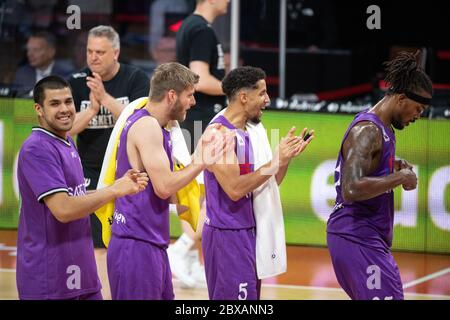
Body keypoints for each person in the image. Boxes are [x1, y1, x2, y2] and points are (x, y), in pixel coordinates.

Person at [106, 62, 234, 300]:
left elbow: (167, 191)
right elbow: (165, 188)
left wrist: (198, 158)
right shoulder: (146, 127)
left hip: (150, 243)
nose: (193, 102)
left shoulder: (160, 128)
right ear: (171, 95)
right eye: (189, 95)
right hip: (135, 245)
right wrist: (201, 162)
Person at [15, 75, 149, 300]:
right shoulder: (36, 148)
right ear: (39, 109)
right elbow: (64, 209)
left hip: (80, 268)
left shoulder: (65, 141)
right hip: (49, 276)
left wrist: (116, 187)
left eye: (68, 102)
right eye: (55, 103)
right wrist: (114, 191)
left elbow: (76, 195)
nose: (65, 109)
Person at [326, 51, 433, 300]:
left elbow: (365, 168)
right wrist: (400, 178)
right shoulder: (368, 130)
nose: (418, 116)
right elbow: (351, 189)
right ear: (401, 99)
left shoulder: (383, 129)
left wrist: (389, 165)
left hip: (365, 239)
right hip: (356, 237)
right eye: (418, 109)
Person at [203, 66, 314, 300]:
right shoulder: (219, 133)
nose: (267, 99)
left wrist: (284, 160)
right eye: (262, 93)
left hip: (248, 233)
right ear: (244, 97)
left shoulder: (250, 131)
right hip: (227, 236)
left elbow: (269, 185)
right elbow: (234, 189)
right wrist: (274, 162)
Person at [68, 25, 150, 250]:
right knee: (95, 241)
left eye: (100, 52)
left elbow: (140, 121)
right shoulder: (75, 82)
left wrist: (104, 98)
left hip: (125, 169)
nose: (93, 58)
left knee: (124, 238)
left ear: (115, 53)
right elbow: (68, 129)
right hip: (89, 169)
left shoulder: (135, 78)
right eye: (89, 51)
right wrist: (91, 111)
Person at [172, 0, 229, 289]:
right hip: (201, 118)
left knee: (194, 191)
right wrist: (236, 88)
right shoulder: (201, 30)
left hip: (193, 118)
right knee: (207, 192)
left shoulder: (190, 26)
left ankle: (189, 258)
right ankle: (182, 248)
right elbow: (199, 78)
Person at [12, 31, 74, 97]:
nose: (29, 54)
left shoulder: (66, 74)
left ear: (51, 52)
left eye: (36, 50)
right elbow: (15, 99)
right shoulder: (22, 73)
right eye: (28, 50)